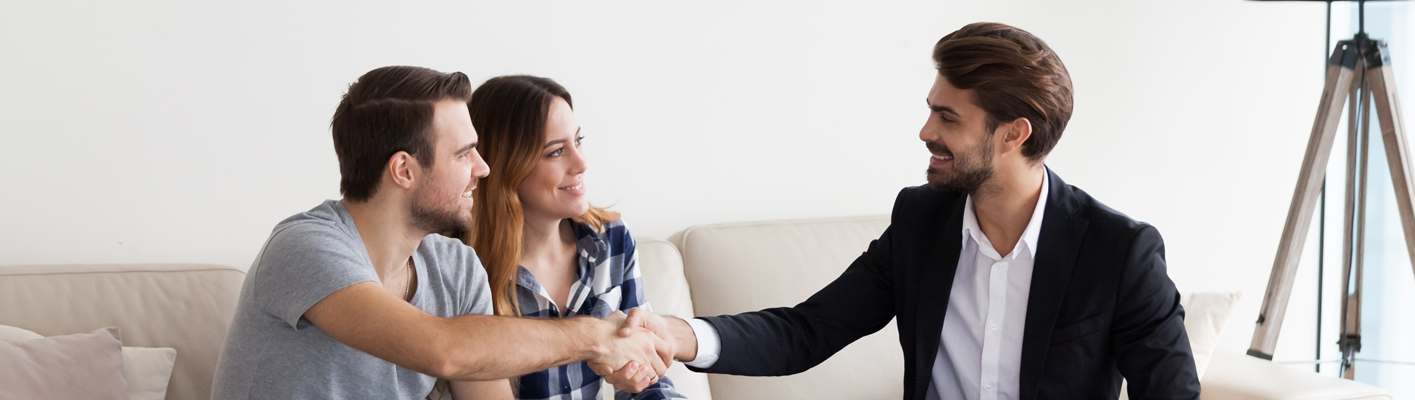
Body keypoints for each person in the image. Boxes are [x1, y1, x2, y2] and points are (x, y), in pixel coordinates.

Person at [605, 22, 1202, 399]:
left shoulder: (1120, 252)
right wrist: (677, 335)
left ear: (1013, 134)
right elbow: (808, 330)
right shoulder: (922, 221)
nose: (925, 131)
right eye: (930, 109)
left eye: (949, 118)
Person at [211, 66, 672, 400]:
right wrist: (599, 336)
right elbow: (444, 350)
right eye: (463, 154)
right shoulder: (305, 248)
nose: (483, 168)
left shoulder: (454, 266)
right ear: (404, 170)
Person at [432, 75, 684, 400]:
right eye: (555, 152)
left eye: (578, 141)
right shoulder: (457, 264)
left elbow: (649, 379)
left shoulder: (611, 240)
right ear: (504, 166)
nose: (581, 163)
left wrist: (639, 375)